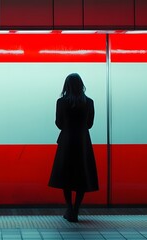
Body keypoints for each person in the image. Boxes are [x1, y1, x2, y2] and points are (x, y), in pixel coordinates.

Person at [48, 73, 99, 222]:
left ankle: (69, 208)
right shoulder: (89, 102)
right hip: (83, 142)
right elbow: (90, 124)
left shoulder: (61, 102)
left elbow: (58, 123)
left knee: (66, 175)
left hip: (67, 142)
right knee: (82, 175)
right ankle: (76, 209)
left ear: (66, 86)